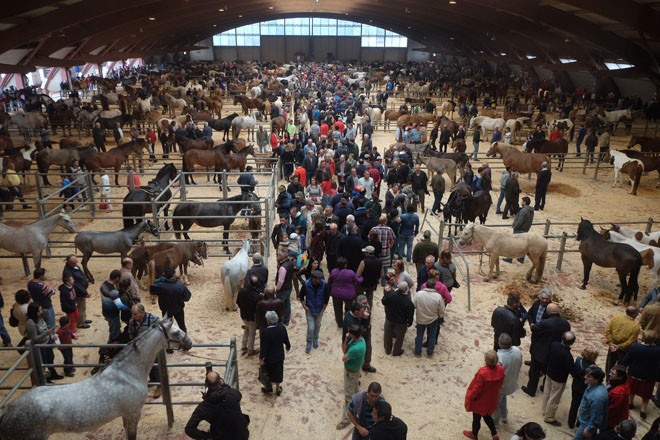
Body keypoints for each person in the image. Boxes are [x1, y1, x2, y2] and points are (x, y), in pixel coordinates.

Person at [184, 370, 250, 440]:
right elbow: (234, 394)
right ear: (221, 381)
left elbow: (189, 429)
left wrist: (208, 436)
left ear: (206, 385)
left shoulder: (204, 407)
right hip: (242, 435)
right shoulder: (233, 393)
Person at [522, 303, 571, 397]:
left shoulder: (545, 323)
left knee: (534, 372)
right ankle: (544, 388)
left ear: (548, 312)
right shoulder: (566, 323)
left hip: (541, 351)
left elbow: (534, 329)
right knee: (548, 372)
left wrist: (532, 324)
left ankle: (531, 390)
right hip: (555, 352)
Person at [463, 350, 505, 440]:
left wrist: (470, 397)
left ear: (486, 361)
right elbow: (500, 384)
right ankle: (494, 434)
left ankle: (474, 434)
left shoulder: (483, 372)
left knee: (476, 419)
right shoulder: (501, 370)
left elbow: (476, 389)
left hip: (480, 401)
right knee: (487, 416)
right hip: (492, 399)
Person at [621, 330, 660, 419]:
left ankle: (630, 403)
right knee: (646, 394)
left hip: (634, 374)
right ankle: (643, 409)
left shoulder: (634, 347)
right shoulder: (658, 350)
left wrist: (622, 367)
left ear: (643, 337)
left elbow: (626, 360)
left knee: (632, 389)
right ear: (655, 339)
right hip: (648, 377)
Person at [542, 331, 576, 426]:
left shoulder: (554, 344)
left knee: (547, 393)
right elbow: (572, 371)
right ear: (572, 342)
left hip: (549, 373)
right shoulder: (568, 356)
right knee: (554, 399)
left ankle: (544, 410)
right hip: (559, 379)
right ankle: (549, 417)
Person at [337, 325, 367, 430]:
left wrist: (346, 339)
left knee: (348, 398)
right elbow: (345, 350)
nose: (348, 334)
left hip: (350, 374)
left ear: (353, 335)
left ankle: (346, 420)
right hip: (356, 371)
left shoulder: (355, 348)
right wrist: (346, 339)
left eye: (349, 333)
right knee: (357, 392)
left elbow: (344, 358)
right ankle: (360, 409)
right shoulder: (360, 340)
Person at [25, 303, 63, 381]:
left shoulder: (40, 318)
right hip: (40, 347)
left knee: (50, 358)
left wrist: (51, 336)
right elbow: (34, 338)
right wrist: (47, 333)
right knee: (43, 363)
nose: (41, 312)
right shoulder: (30, 323)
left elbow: (45, 328)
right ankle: (44, 379)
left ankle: (53, 373)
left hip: (47, 343)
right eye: (39, 310)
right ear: (33, 312)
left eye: (41, 309)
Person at [149, 266, 191, 333]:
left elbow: (151, 290)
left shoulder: (160, 286)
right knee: (182, 326)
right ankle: (184, 339)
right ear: (174, 275)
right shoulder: (181, 286)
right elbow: (187, 298)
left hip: (166, 310)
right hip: (178, 310)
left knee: (166, 327)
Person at [493, 333, 523, 426]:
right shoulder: (517, 350)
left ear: (500, 344)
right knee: (503, 398)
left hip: (502, 386)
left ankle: (495, 423)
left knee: (496, 404)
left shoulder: (499, 357)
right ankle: (504, 416)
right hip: (512, 382)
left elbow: (496, 376)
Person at [412, 274, 445, 358]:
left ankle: (418, 352)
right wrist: (440, 316)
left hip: (421, 319)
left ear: (426, 285)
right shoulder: (438, 297)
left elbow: (413, 305)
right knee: (431, 336)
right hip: (433, 319)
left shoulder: (419, 294)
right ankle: (430, 353)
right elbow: (442, 310)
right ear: (434, 286)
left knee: (419, 336)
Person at [259, 310, 291, 396]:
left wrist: (261, 358)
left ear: (268, 320)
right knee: (278, 371)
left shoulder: (265, 332)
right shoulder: (282, 328)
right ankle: (277, 388)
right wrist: (288, 346)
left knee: (268, 372)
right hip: (279, 355)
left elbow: (263, 346)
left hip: (269, 357)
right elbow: (286, 340)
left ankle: (268, 387)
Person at [574, 366, 608, 440]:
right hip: (585, 420)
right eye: (586, 375)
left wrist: (589, 428)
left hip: (586, 424)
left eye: (589, 376)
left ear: (597, 380)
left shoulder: (598, 397)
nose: (585, 377)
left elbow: (597, 416)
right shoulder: (592, 385)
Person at [299, 270, 329, 353]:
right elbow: (301, 296)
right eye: (318, 279)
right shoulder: (306, 284)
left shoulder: (324, 284)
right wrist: (304, 306)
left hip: (319, 310)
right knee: (311, 327)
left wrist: (323, 309)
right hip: (309, 309)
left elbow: (327, 298)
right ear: (313, 279)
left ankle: (315, 339)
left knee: (318, 325)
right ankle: (309, 342)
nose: (320, 280)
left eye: (320, 278)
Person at [569, 347, 600, 429]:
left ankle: (570, 422)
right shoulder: (593, 368)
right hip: (585, 389)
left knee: (574, 404)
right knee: (584, 407)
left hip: (575, 385)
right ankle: (579, 423)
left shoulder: (578, 360)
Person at [382, 281, 414, 356]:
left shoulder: (391, 295)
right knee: (400, 337)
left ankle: (387, 349)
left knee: (388, 335)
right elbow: (410, 313)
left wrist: (386, 293)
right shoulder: (408, 301)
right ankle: (396, 351)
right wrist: (410, 321)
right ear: (407, 289)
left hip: (390, 318)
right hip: (401, 322)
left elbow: (384, 301)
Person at [605, 306, 640, 373]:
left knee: (609, 364)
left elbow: (608, 331)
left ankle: (608, 380)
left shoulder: (615, 318)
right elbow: (631, 341)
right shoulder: (635, 327)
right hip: (624, 350)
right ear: (635, 315)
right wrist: (619, 346)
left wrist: (611, 343)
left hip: (612, 346)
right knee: (621, 367)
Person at [503, 196, 534, 263]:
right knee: (523, 245)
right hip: (526, 229)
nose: (521, 202)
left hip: (519, 229)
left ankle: (510, 258)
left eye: (522, 201)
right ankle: (521, 258)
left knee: (513, 244)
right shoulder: (531, 211)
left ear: (524, 202)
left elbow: (520, 221)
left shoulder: (523, 211)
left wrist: (515, 227)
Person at [63, 254, 91, 329]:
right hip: (78, 292)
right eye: (74, 263)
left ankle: (83, 319)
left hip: (81, 290)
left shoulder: (74, 266)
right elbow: (75, 285)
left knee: (83, 306)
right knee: (80, 307)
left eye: (76, 262)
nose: (76, 264)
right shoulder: (67, 272)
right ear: (69, 262)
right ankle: (81, 323)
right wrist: (84, 292)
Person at [100, 270, 125, 343]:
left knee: (114, 327)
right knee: (114, 331)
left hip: (105, 311)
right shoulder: (113, 292)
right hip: (112, 314)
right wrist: (130, 309)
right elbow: (120, 306)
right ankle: (112, 345)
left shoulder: (103, 284)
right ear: (117, 278)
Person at [606, 365, 630, 429]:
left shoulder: (618, 394)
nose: (609, 374)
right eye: (610, 372)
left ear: (620, 377)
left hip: (613, 421)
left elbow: (612, 411)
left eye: (613, 374)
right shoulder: (615, 381)